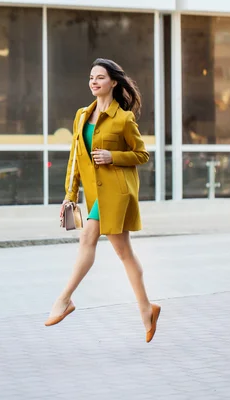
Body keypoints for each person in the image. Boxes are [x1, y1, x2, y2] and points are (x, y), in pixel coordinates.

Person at [44, 58, 161, 343]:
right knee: (124, 253)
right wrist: (70, 195)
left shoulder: (124, 119)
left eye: (100, 77)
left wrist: (113, 157)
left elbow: (142, 154)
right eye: (91, 77)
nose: (94, 82)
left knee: (88, 240)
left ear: (113, 83)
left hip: (117, 193)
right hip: (95, 194)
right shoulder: (82, 114)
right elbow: (75, 157)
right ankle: (147, 309)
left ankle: (64, 299)